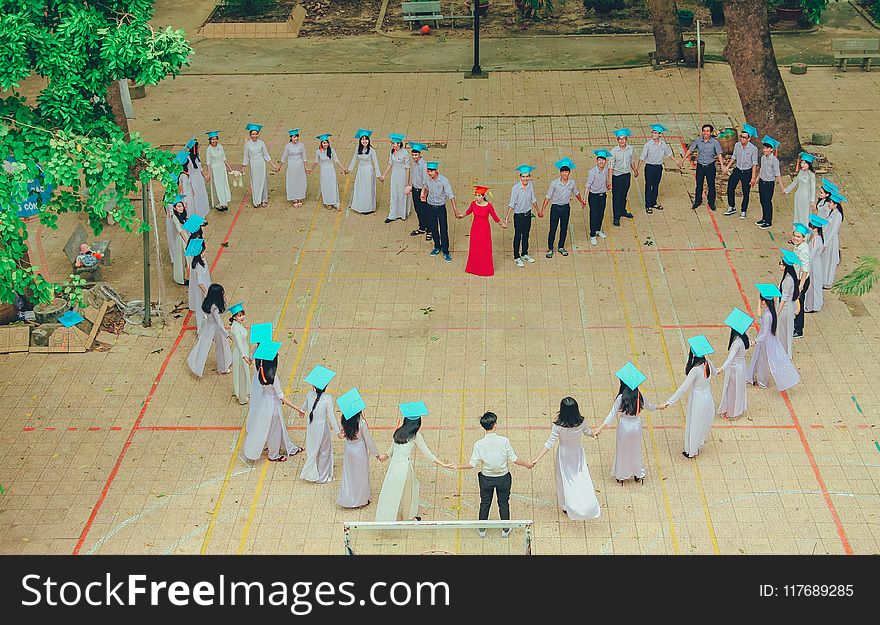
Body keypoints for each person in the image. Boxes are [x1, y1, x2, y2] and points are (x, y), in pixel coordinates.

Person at [452, 412, 534, 537]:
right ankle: (505, 530)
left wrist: (457, 466)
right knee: (503, 503)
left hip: (486, 480)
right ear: (495, 425)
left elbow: (472, 464)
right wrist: (527, 464)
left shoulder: (478, 444)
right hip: (503, 479)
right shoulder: (504, 441)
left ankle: (482, 529)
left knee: (485, 503)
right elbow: (514, 459)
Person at [375, 402, 452, 521]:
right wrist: (443, 464)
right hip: (405, 468)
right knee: (409, 493)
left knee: (394, 492)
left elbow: (391, 450)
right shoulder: (415, 436)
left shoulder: (398, 432)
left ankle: (394, 515)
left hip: (393, 467)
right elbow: (427, 453)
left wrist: (383, 457)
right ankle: (407, 517)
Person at [529, 397, 601, 520]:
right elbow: (588, 432)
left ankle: (565, 505)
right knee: (579, 476)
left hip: (564, 454)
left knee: (562, 478)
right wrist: (594, 433)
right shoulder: (581, 422)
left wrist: (537, 459)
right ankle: (583, 499)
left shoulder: (558, 425)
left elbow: (549, 443)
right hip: (577, 453)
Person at [592, 362, 662, 484]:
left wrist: (600, 428)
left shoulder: (621, 397)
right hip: (636, 425)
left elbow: (612, 414)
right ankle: (638, 473)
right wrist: (660, 406)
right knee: (635, 449)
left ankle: (621, 475)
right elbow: (650, 406)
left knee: (622, 450)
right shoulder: (640, 396)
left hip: (624, 426)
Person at [242, 341, 303, 462]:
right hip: (274, 406)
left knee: (271, 428)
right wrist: (297, 408)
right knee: (276, 429)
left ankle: (288, 448)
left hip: (264, 403)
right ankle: (273, 454)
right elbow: (281, 396)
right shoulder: (274, 377)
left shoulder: (261, 373)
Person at [660, 335, 717, 459]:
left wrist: (669, 402)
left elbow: (683, 388)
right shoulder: (708, 363)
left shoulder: (695, 370)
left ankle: (691, 450)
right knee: (701, 422)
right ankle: (697, 446)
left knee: (694, 423)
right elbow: (717, 372)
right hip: (707, 395)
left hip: (698, 398)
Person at [336, 388, 387, 508]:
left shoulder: (342, 420)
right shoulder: (361, 423)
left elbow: (341, 434)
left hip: (349, 449)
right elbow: (369, 441)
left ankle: (347, 498)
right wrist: (376, 454)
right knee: (361, 475)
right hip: (359, 450)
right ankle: (361, 500)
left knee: (349, 474)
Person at [746, 284, 800, 392]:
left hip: (765, 341)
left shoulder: (767, 316)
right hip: (768, 339)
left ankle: (762, 382)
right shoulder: (772, 312)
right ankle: (755, 378)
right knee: (761, 359)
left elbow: (765, 334)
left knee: (762, 361)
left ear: (764, 302)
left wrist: (755, 341)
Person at [295, 365, 340, 484]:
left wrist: (301, 411)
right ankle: (323, 476)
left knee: (314, 449)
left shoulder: (309, 395)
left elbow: (304, 407)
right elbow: (331, 416)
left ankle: (313, 472)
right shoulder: (327, 399)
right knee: (325, 450)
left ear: (313, 386)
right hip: (322, 428)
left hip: (311, 426)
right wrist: (337, 432)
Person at [541, 157, 585, 258]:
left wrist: (581, 201)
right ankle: (550, 248)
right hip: (555, 208)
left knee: (564, 228)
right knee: (553, 228)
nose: (565, 174)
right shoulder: (554, 183)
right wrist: (543, 209)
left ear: (569, 173)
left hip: (566, 208)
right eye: (563, 172)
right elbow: (548, 196)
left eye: (566, 172)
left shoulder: (572, 183)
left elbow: (576, 193)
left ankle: (561, 246)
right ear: (560, 173)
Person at [187, 283, 232, 378]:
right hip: (217, 328)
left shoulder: (208, 301)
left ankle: (196, 364)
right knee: (222, 347)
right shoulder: (215, 307)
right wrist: (227, 334)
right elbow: (219, 322)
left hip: (208, 326)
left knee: (203, 346)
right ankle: (222, 368)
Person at [457, 185, 504, 276]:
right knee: (475, 248)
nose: (477, 197)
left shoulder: (489, 206)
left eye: (479, 195)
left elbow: (495, 217)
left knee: (484, 248)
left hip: (484, 230)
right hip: (475, 229)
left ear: (483, 196)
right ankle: (473, 268)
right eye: (476, 195)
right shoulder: (473, 204)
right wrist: (461, 216)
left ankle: (485, 269)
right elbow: (468, 211)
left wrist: (501, 224)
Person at [717, 307, 752, 420]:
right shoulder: (745, 339)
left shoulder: (736, 342)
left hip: (734, 369)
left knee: (732, 391)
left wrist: (722, 368)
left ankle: (731, 412)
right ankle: (737, 410)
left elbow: (730, 357)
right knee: (739, 390)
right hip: (741, 367)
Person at [421, 161, 459, 262]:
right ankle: (437, 246)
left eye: (432, 171)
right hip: (430, 206)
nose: (430, 173)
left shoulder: (444, 181)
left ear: (436, 171)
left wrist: (455, 210)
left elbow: (450, 195)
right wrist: (423, 194)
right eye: (428, 171)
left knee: (443, 229)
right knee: (433, 228)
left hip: (441, 208)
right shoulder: (427, 179)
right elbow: (425, 186)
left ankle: (445, 251)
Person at [680, 124, 724, 211]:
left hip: (710, 166)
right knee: (699, 185)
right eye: (704, 131)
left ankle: (711, 202)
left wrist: (722, 165)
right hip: (700, 166)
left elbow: (719, 153)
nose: (705, 133)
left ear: (711, 132)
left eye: (707, 131)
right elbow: (690, 150)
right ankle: (697, 201)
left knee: (711, 185)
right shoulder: (698, 141)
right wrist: (683, 160)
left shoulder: (715, 142)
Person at [504, 165, 538, 267]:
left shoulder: (530, 185)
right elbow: (512, 203)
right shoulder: (515, 188)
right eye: (523, 176)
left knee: (526, 235)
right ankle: (516, 256)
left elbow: (533, 199)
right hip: (518, 216)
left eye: (527, 176)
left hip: (528, 215)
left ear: (530, 177)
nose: (525, 178)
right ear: (520, 177)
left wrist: (539, 211)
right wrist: (507, 218)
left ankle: (524, 253)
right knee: (518, 236)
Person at [722, 124, 759, 218]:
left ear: (749, 139)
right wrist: (727, 167)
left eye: (744, 137)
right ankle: (731, 206)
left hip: (747, 172)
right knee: (730, 187)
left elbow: (754, 163)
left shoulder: (753, 149)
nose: (742, 139)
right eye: (741, 137)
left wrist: (753, 177)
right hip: (738, 169)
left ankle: (743, 210)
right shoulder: (737, 145)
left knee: (745, 192)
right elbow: (734, 157)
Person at [636, 124, 675, 213]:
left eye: (656, 133)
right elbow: (642, 157)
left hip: (658, 168)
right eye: (653, 133)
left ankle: (654, 202)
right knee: (648, 185)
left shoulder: (663, 145)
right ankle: (648, 205)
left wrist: (677, 162)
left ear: (660, 135)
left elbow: (669, 154)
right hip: (650, 167)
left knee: (656, 185)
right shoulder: (648, 145)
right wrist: (637, 169)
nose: (654, 134)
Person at [346, 129, 381, 214]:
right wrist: (349, 169)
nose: (364, 141)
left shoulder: (372, 150)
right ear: (360, 140)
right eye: (362, 139)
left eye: (366, 139)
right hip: (360, 171)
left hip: (368, 172)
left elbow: (375, 162)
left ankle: (368, 208)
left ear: (368, 140)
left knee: (368, 189)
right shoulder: (357, 148)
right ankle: (360, 206)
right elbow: (354, 159)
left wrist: (378, 175)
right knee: (360, 188)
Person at [379, 133, 410, 223]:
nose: (393, 145)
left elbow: (407, 168)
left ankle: (402, 213)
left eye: (394, 143)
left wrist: (407, 181)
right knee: (394, 193)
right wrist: (384, 175)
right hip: (394, 175)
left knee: (401, 194)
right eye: (392, 143)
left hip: (402, 176)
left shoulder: (405, 153)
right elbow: (390, 163)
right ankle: (393, 214)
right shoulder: (392, 151)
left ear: (399, 144)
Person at [609, 128, 637, 225]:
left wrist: (635, 170)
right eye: (620, 139)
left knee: (624, 195)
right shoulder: (613, 152)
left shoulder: (630, 149)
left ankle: (622, 211)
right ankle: (616, 216)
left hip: (626, 176)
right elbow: (610, 168)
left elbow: (632, 161)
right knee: (616, 197)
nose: (622, 141)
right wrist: (610, 181)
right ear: (617, 140)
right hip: (617, 177)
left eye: (623, 139)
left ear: (626, 139)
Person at [777, 248, 802, 356]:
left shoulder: (788, 280)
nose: (779, 265)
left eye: (780, 263)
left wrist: (777, 313)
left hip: (785, 309)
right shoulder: (791, 277)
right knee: (785, 330)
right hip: (789, 307)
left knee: (783, 331)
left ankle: (784, 352)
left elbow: (784, 298)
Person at [755, 135, 783, 229]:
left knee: (767, 201)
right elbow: (762, 169)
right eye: (764, 148)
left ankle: (768, 221)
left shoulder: (774, 160)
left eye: (767, 148)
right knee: (762, 201)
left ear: (771, 149)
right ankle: (764, 218)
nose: (765, 150)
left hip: (769, 183)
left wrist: (782, 187)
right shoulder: (763, 158)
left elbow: (777, 174)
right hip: (762, 182)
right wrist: (757, 178)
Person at [227, 302, 252, 405]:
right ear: (234, 317)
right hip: (240, 353)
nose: (242, 317)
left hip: (243, 351)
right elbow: (239, 344)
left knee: (244, 373)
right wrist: (244, 356)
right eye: (239, 315)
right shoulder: (235, 328)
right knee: (242, 374)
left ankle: (246, 391)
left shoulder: (238, 325)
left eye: (243, 314)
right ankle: (242, 397)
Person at [585, 150, 612, 246]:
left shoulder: (606, 170)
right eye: (599, 160)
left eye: (603, 160)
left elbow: (608, 177)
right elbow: (588, 186)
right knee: (593, 215)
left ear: (605, 161)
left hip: (602, 195)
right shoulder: (592, 172)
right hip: (593, 196)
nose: (601, 162)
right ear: (596, 161)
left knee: (601, 213)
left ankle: (598, 230)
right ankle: (592, 235)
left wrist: (609, 184)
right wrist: (584, 199)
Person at [784, 152, 816, 226]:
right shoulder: (801, 172)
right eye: (802, 163)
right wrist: (786, 190)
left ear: (809, 164)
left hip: (806, 196)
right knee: (797, 213)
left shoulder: (811, 174)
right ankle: (797, 231)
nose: (802, 165)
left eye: (805, 163)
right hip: (798, 195)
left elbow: (813, 188)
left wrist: (812, 201)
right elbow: (795, 182)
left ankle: (805, 233)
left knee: (805, 214)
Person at [311, 134, 343, 210]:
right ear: (321, 144)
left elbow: (336, 160)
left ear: (328, 143)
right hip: (323, 171)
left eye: (326, 142)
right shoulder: (318, 152)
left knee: (333, 185)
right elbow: (316, 162)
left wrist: (343, 168)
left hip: (331, 170)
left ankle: (336, 203)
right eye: (323, 143)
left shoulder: (332, 150)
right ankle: (328, 202)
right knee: (325, 186)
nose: (325, 144)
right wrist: (310, 169)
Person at [242, 123, 271, 208]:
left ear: (258, 134)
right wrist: (243, 166)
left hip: (261, 164)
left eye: (256, 133)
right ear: (250, 134)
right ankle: (256, 200)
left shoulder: (262, 143)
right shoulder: (247, 145)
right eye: (252, 134)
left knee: (263, 181)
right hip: (253, 165)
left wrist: (271, 163)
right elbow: (246, 156)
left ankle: (264, 200)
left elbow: (266, 154)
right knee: (254, 182)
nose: (254, 135)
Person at [277, 129, 308, 208]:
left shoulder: (301, 145)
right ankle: (294, 199)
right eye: (294, 137)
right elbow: (284, 157)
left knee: (300, 181)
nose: (296, 138)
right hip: (292, 166)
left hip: (300, 165)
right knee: (292, 181)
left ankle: (300, 197)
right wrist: (279, 167)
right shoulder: (288, 146)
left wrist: (306, 167)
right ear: (291, 138)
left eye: (297, 136)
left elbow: (304, 157)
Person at [185, 236, 210, 333]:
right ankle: (201, 330)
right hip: (202, 291)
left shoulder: (200, 261)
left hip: (205, 287)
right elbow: (200, 282)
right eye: (203, 251)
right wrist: (206, 293)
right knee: (202, 310)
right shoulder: (198, 266)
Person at [406, 142, 431, 239]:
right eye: (412, 154)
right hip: (415, 189)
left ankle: (429, 230)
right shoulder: (414, 163)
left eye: (416, 155)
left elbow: (426, 180)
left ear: (420, 155)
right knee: (418, 210)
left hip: (422, 191)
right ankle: (422, 227)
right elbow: (415, 176)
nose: (414, 156)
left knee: (425, 211)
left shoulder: (423, 165)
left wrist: (423, 193)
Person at [790, 224, 811, 339]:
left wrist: (800, 286)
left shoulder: (804, 250)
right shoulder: (799, 246)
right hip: (796, 278)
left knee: (799, 304)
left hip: (800, 281)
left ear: (804, 238)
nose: (795, 238)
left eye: (798, 237)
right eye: (794, 236)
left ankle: (798, 329)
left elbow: (805, 269)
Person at [822, 190, 846, 289]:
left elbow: (833, 231)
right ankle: (824, 279)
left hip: (831, 240)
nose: (829, 204)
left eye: (830, 202)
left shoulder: (838, 215)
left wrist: (826, 243)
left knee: (830, 260)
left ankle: (828, 281)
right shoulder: (832, 212)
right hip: (826, 237)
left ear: (836, 204)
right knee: (825, 259)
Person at [204, 131, 232, 212]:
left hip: (222, 169)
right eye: (212, 139)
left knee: (224, 184)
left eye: (215, 139)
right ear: (210, 140)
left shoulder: (220, 147)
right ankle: (218, 203)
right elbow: (208, 163)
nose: (214, 141)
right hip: (214, 170)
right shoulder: (208, 150)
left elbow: (224, 159)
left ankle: (224, 202)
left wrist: (229, 168)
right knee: (217, 186)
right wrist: (209, 174)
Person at [804, 215, 826, 312]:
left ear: (816, 229)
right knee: (813, 284)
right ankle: (813, 303)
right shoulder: (816, 237)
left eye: (811, 227)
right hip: (815, 262)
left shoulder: (816, 240)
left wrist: (806, 264)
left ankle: (815, 305)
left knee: (814, 284)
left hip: (814, 264)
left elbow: (811, 255)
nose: (809, 229)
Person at [165, 194, 188, 285]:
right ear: (174, 208)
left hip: (185, 236)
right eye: (178, 206)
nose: (181, 208)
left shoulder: (182, 216)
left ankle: (185, 275)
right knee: (180, 259)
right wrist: (186, 241)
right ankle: (180, 278)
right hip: (180, 239)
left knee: (185, 259)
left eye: (181, 206)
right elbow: (180, 231)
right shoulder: (174, 218)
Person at [185, 137, 210, 219]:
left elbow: (200, 169)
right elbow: (187, 172)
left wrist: (205, 176)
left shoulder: (197, 157)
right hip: (193, 180)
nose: (199, 148)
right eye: (197, 146)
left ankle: (202, 215)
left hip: (199, 179)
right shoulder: (188, 159)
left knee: (202, 196)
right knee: (196, 198)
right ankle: (198, 216)